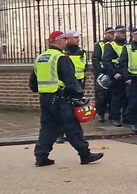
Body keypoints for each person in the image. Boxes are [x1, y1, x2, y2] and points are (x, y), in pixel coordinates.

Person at [29, 31, 103, 166]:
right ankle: (85, 155)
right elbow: (70, 82)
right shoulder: (61, 58)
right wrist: (80, 95)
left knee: (47, 127)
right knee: (72, 127)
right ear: (59, 41)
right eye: (64, 40)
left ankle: (41, 156)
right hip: (60, 98)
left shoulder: (40, 58)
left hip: (45, 98)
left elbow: (33, 84)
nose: (65, 42)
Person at [55, 30, 88, 144]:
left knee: (76, 109)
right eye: (75, 37)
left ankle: (76, 134)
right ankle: (60, 133)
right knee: (63, 109)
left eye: (78, 37)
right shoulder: (62, 53)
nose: (78, 39)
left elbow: (84, 67)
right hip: (65, 84)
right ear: (68, 39)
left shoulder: (82, 52)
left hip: (78, 83)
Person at [102, 25, 128, 127]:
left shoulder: (127, 45)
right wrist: (114, 73)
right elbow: (106, 61)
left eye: (125, 32)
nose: (124, 34)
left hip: (126, 73)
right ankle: (115, 117)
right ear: (116, 33)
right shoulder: (110, 46)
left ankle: (126, 117)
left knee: (127, 97)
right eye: (122, 33)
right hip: (116, 74)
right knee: (117, 97)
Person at [92, 27, 115, 123]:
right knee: (101, 95)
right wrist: (100, 71)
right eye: (109, 33)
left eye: (113, 33)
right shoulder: (100, 45)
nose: (111, 35)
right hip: (103, 73)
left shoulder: (114, 45)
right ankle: (100, 114)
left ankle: (111, 113)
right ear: (105, 34)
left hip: (112, 72)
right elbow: (96, 59)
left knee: (112, 95)